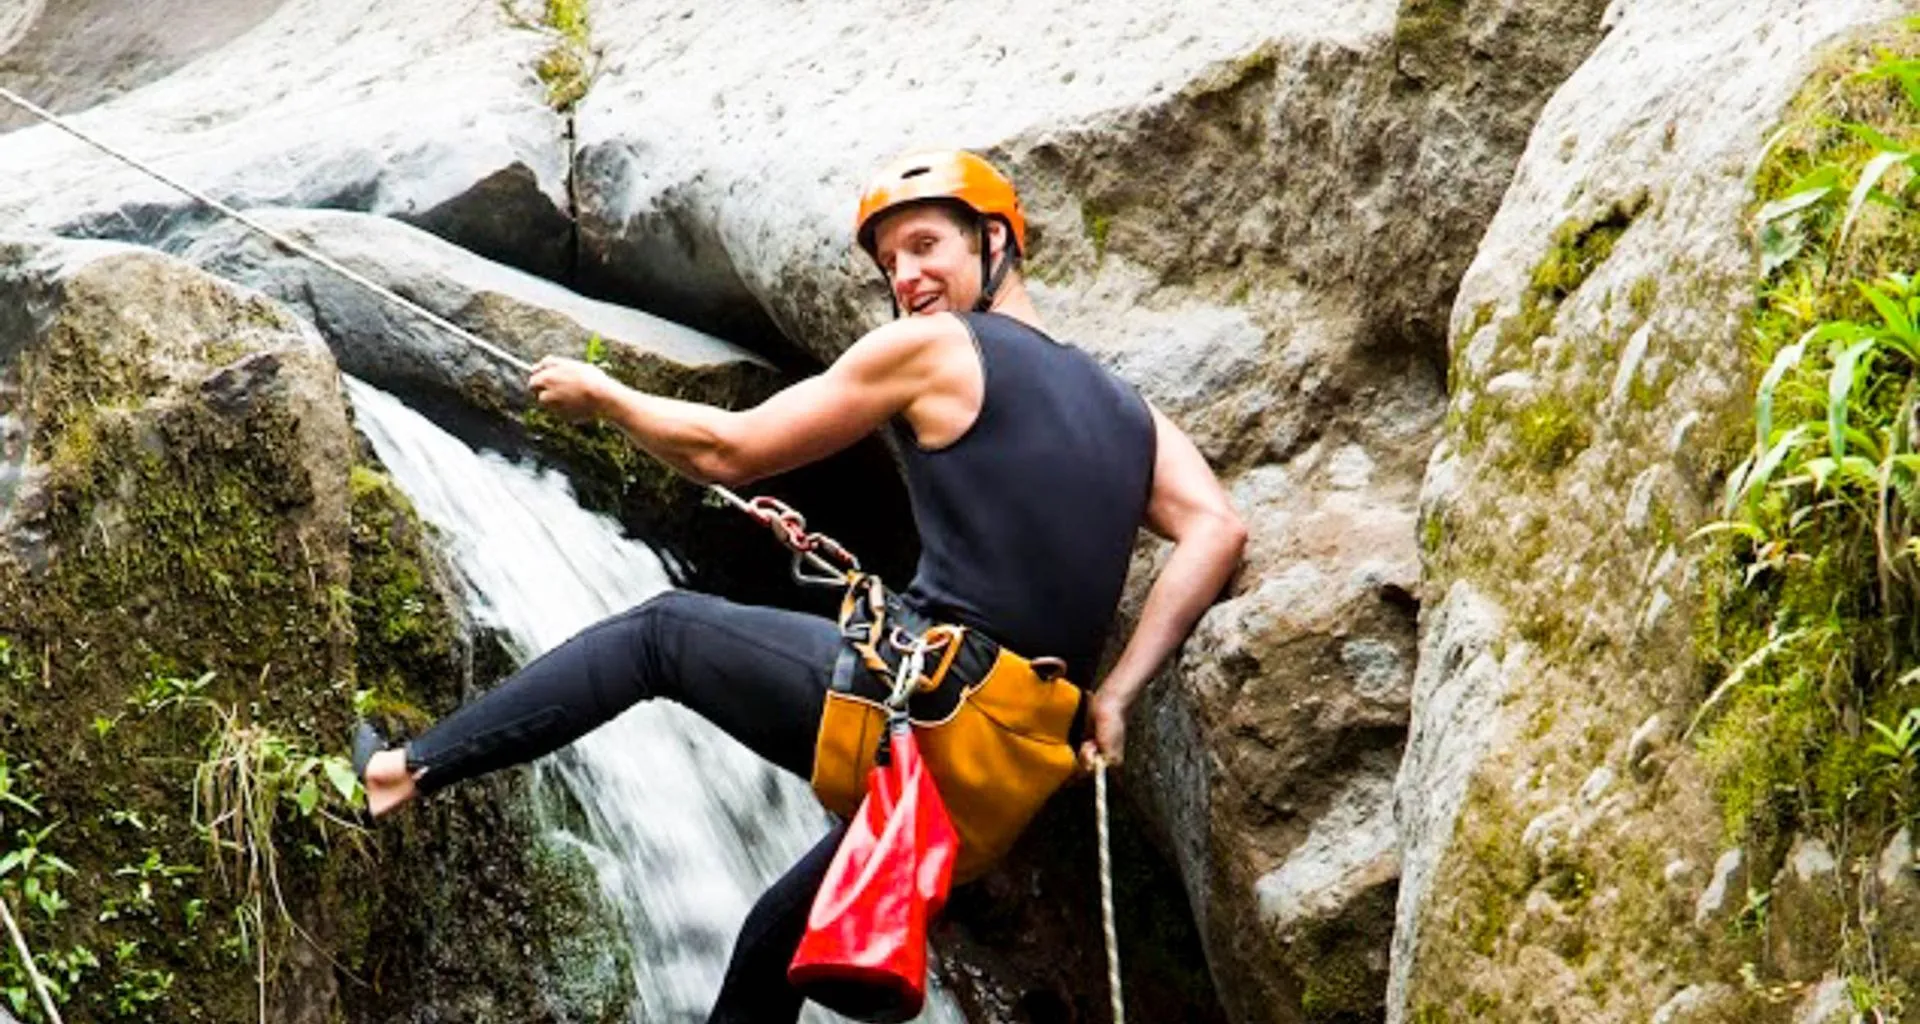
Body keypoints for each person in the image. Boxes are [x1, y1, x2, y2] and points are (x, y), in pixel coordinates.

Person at [354, 149, 1246, 1023]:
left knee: (662, 634)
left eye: (926, 245)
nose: (906, 276)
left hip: (927, 713)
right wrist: (1115, 696)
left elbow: (730, 450)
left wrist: (610, 399)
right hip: (1000, 780)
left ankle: (400, 771)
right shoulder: (1130, 411)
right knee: (776, 938)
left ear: (995, 242)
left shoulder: (935, 348)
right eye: (890, 263)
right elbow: (1215, 527)